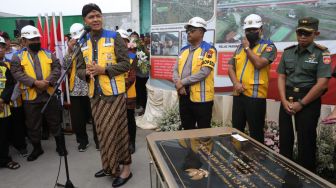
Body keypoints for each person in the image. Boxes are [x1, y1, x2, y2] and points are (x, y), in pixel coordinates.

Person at [77, 4, 132, 187]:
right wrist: (86, 73)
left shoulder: (114, 36)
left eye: (98, 16)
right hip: (95, 96)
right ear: (85, 20)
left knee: (117, 132)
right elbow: (78, 69)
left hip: (114, 94)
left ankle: (126, 170)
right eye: (91, 17)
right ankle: (109, 165)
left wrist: (104, 70)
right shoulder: (82, 41)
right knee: (102, 133)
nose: (95, 19)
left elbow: (126, 64)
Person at [277, 17, 332, 172]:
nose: (302, 36)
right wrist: (283, 100)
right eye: (300, 32)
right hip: (287, 99)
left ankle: (306, 179)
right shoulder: (288, 52)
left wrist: (301, 104)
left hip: (309, 101)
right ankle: (284, 176)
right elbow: (281, 76)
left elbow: (322, 84)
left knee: (306, 143)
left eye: (307, 33)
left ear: (316, 33)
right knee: (285, 141)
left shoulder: (322, 53)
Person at [10, 25, 64, 161]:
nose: (35, 42)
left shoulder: (48, 53)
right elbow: (17, 73)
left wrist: (48, 82)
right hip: (30, 97)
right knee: (33, 124)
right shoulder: (17, 57)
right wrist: (34, 83)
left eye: (36, 39)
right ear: (24, 41)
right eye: (31, 39)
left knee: (55, 120)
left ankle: (60, 145)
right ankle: (37, 148)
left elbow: (57, 67)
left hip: (49, 93)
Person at [228, 14, 277, 143]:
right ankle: (237, 157)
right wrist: (235, 83)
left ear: (261, 30)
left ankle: (255, 160)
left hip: (255, 98)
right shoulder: (239, 48)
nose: (250, 33)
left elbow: (259, 63)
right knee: (236, 131)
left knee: (255, 133)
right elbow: (230, 67)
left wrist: (247, 48)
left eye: (254, 30)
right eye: (248, 30)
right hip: (238, 95)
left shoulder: (268, 46)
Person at [172, 17, 217, 130]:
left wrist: (182, 82)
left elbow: (204, 72)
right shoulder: (183, 50)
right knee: (187, 130)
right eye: (188, 31)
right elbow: (175, 70)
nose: (188, 33)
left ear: (201, 32)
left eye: (192, 31)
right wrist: (179, 85)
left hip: (202, 100)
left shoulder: (209, 50)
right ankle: (189, 149)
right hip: (184, 96)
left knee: (203, 132)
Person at [66, 23, 99, 152]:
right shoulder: (71, 50)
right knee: (78, 119)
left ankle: (99, 141)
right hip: (76, 90)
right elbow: (65, 66)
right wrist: (69, 50)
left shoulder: (92, 46)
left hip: (91, 86)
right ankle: (82, 141)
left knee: (95, 117)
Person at [0, 36, 20, 170]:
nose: (1, 50)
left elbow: (10, 85)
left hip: (3, 108)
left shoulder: (4, 67)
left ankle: (4, 159)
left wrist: (2, 99)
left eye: (2, 47)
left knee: (3, 136)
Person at [117, 29, 138, 154]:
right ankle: (121, 143)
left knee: (130, 119)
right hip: (114, 93)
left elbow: (132, 76)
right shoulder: (112, 56)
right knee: (118, 120)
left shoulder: (132, 56)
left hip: (128, 92)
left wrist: (120, 87)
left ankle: (132, 143)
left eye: (124, 41)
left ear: (127, 42)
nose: (121, 43)